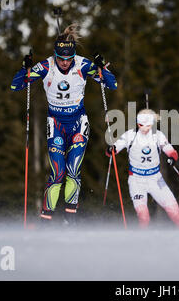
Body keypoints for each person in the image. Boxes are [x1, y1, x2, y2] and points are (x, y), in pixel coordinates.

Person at [11, 24, 117, 223]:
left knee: (73, 171)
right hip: (56, 125)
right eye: (61, 58)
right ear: (55, 54)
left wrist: (102, 68)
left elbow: (112, 84)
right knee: (57, 174)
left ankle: (70, 221)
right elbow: (16, 85)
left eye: (68, 59)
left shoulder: (82, 64)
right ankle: (45, 220)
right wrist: (24, 68)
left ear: (73, 55)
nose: (65, 63)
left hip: (78, 124)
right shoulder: (46, 66)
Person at [106, 109, 179, 229]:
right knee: (144, 216)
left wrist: (172, 158)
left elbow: (170, 150)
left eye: (148, 125)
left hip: (156, 179)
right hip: (136, 181)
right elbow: (114, 149)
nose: (145, 129)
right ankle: (141, 242)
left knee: (174, 210)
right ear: (138, 123)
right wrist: (111, 149)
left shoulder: (158, 135)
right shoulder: (130, 135)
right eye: (141, 125)